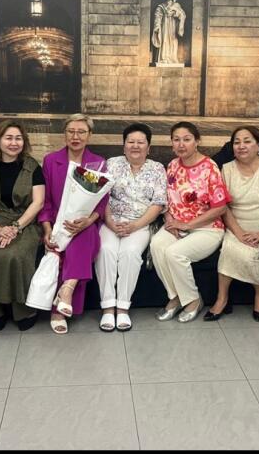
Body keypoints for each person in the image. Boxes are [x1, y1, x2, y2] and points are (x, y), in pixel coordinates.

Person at [204, 126, 259, 322]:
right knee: (230, 247)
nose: (241, 146)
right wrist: (239, 232)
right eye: (237, 142)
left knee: (252, 253)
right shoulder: (226, 170)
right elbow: (223, 207)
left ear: (258, 145)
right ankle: (222, 298)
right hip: (236, 226)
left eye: (247, 141)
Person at [150, 122, 230, 323]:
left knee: (175, 253)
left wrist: (187, 225)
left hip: (207, 228)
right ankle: (175, 297)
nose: (181, 144)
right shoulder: (173, 166)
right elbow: (168, 200)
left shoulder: (209, 167)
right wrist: (169, 220)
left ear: (197, 141)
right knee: (157, 245)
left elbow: (220, 208)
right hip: (176, 224)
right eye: (176, 140)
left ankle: (193, 300)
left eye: (186, 139)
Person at [39, 114, 107, 334]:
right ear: (65, 134)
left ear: (89, 136)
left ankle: (63, 298)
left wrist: (89, 220)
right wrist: (48, 229)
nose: (75, 136)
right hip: (57, 223)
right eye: (71, 131)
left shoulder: (97, 163)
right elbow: (46, 200)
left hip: (86, 223)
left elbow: (101, 202)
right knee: (66, 242)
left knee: (84, 234)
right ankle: (65, 296)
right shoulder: (51, 161)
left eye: (81, 132)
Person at [0, 121, 45, 332]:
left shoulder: (32, 166)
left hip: (25, 223)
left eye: (18, 138)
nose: (13, 143)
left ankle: (23, 309)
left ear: (24, 142)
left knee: (16, 254)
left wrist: (15, 227)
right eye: (8, 138)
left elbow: (38, 202)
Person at [96, 123, 167, 332]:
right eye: (131, 142)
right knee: (105, 251)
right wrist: (110, 222)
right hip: (111, 221)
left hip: (141, 223)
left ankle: (123, 307)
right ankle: (108, 307)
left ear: (148, 147)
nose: (135, 146)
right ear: (124, 145)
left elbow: (158, 203)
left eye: (140, 142)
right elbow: (102, 197)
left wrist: (135, 225)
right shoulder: (111, 164)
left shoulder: (157, 168)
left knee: (130, 253)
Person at [152, 0, 186, 65]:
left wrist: (175, 13)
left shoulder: (176, 5)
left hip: (173, 24)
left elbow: (182, 14)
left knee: (173, 40)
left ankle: (173, 58)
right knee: (165, 39)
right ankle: (164, 58)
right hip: (165, 24)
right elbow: (157, 15)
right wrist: (157, 25)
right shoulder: (161, 5)